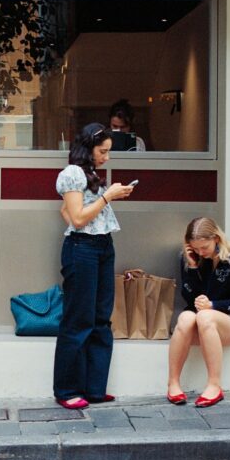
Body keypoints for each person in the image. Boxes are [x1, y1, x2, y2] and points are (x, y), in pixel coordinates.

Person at [53, 123, 134, 409]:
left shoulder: (89, 174)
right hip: (82, 248)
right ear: (88, 148)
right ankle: (67, 390)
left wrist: (106, 199)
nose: (106, 157)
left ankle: (94, 388)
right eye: (102, 151)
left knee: (101, 319)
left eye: (108, 152)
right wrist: (107, 196)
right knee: (79, 319)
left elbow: (66, 211)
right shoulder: (73, 173)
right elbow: (76, 218)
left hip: (102, 246)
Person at [167, 217, 230, 408]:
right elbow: (190, 299)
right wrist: (192, 267)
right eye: (195, 248)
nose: (200, 252)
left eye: (204, 247)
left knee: (205, 316)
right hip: (200, 320)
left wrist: (213, 305)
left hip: (228, 323)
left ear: (216, 238)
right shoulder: (192, 259)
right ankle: (173, 383)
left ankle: (214, 385)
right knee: (185, 317)